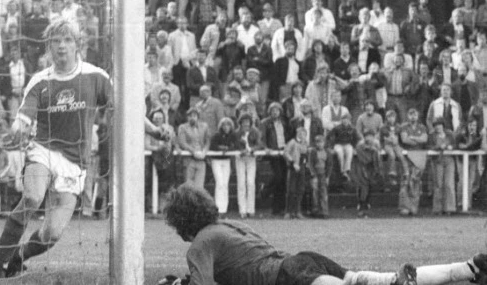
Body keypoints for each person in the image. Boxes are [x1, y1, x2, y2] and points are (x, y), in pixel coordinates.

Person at [0, 19, 167, 278]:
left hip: (75, 163)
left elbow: (127, 110)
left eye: (67, 40)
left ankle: (19, 256)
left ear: (78, 45)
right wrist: (16, 128)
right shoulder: (39, 81)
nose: (61, 46)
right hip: (44, 150)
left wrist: (154, 130)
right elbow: (23, 117)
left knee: (52, 234)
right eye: (56, 41)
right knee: (32, 198)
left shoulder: (96, 78)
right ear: (48, 46)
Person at [162, 183, 487, 285]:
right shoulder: (229, 224)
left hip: (287, 276)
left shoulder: (200, 244)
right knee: (378, 280)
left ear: (180, 221)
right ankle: (469, 268)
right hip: (302, 262)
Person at [209, 117, 239, 214]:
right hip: (216, 160)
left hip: (226, 161)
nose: (226, 127)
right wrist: (220, 148)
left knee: (225, 184)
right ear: (221, 126)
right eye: (224, 125)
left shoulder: (233, 135)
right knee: (220, 183)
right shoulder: (216, 135)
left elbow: (236, 146)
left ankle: (224, 208)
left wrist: (228, 148)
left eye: (228, 125)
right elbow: (212, 146)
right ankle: (218, 207)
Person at [352, 130, 383, 217]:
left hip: (372, 169)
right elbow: (364, 159)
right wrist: (371, 151)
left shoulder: (376, 145)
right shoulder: (360, 146)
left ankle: (366, 204)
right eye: (367, 136)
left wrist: (377, 169)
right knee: (363, 187)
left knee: (370, 186)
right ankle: (361, 206)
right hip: (361, 168)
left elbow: (378, 158)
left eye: (371, 136)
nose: (369, 138)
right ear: (364, 137)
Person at [429, 121, 456, 215]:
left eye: (439, 125)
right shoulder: (432, 136)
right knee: (438, 184)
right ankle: (438, 208)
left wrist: (450, 147)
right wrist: (438, 147)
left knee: (449, 183)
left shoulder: (449, 134)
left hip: (449, 160)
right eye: (436, 125)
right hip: (437, 161)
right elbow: (429, 146)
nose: (438, 127)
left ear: (443, 126)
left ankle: (450, 208)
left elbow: (455, 144)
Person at [307, 133, 332, 218]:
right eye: (317, 142)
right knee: (315, 192)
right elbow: (310, 163)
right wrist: (313, 175)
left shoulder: (327, 152)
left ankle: (324, 211)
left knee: (323, 193)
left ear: (324, 143)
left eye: (321, 142)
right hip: (315, 173)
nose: (319, 144)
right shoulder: (313, 151)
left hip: (323, 173)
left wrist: (328, 176)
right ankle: (315, 211)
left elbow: (329, 165)